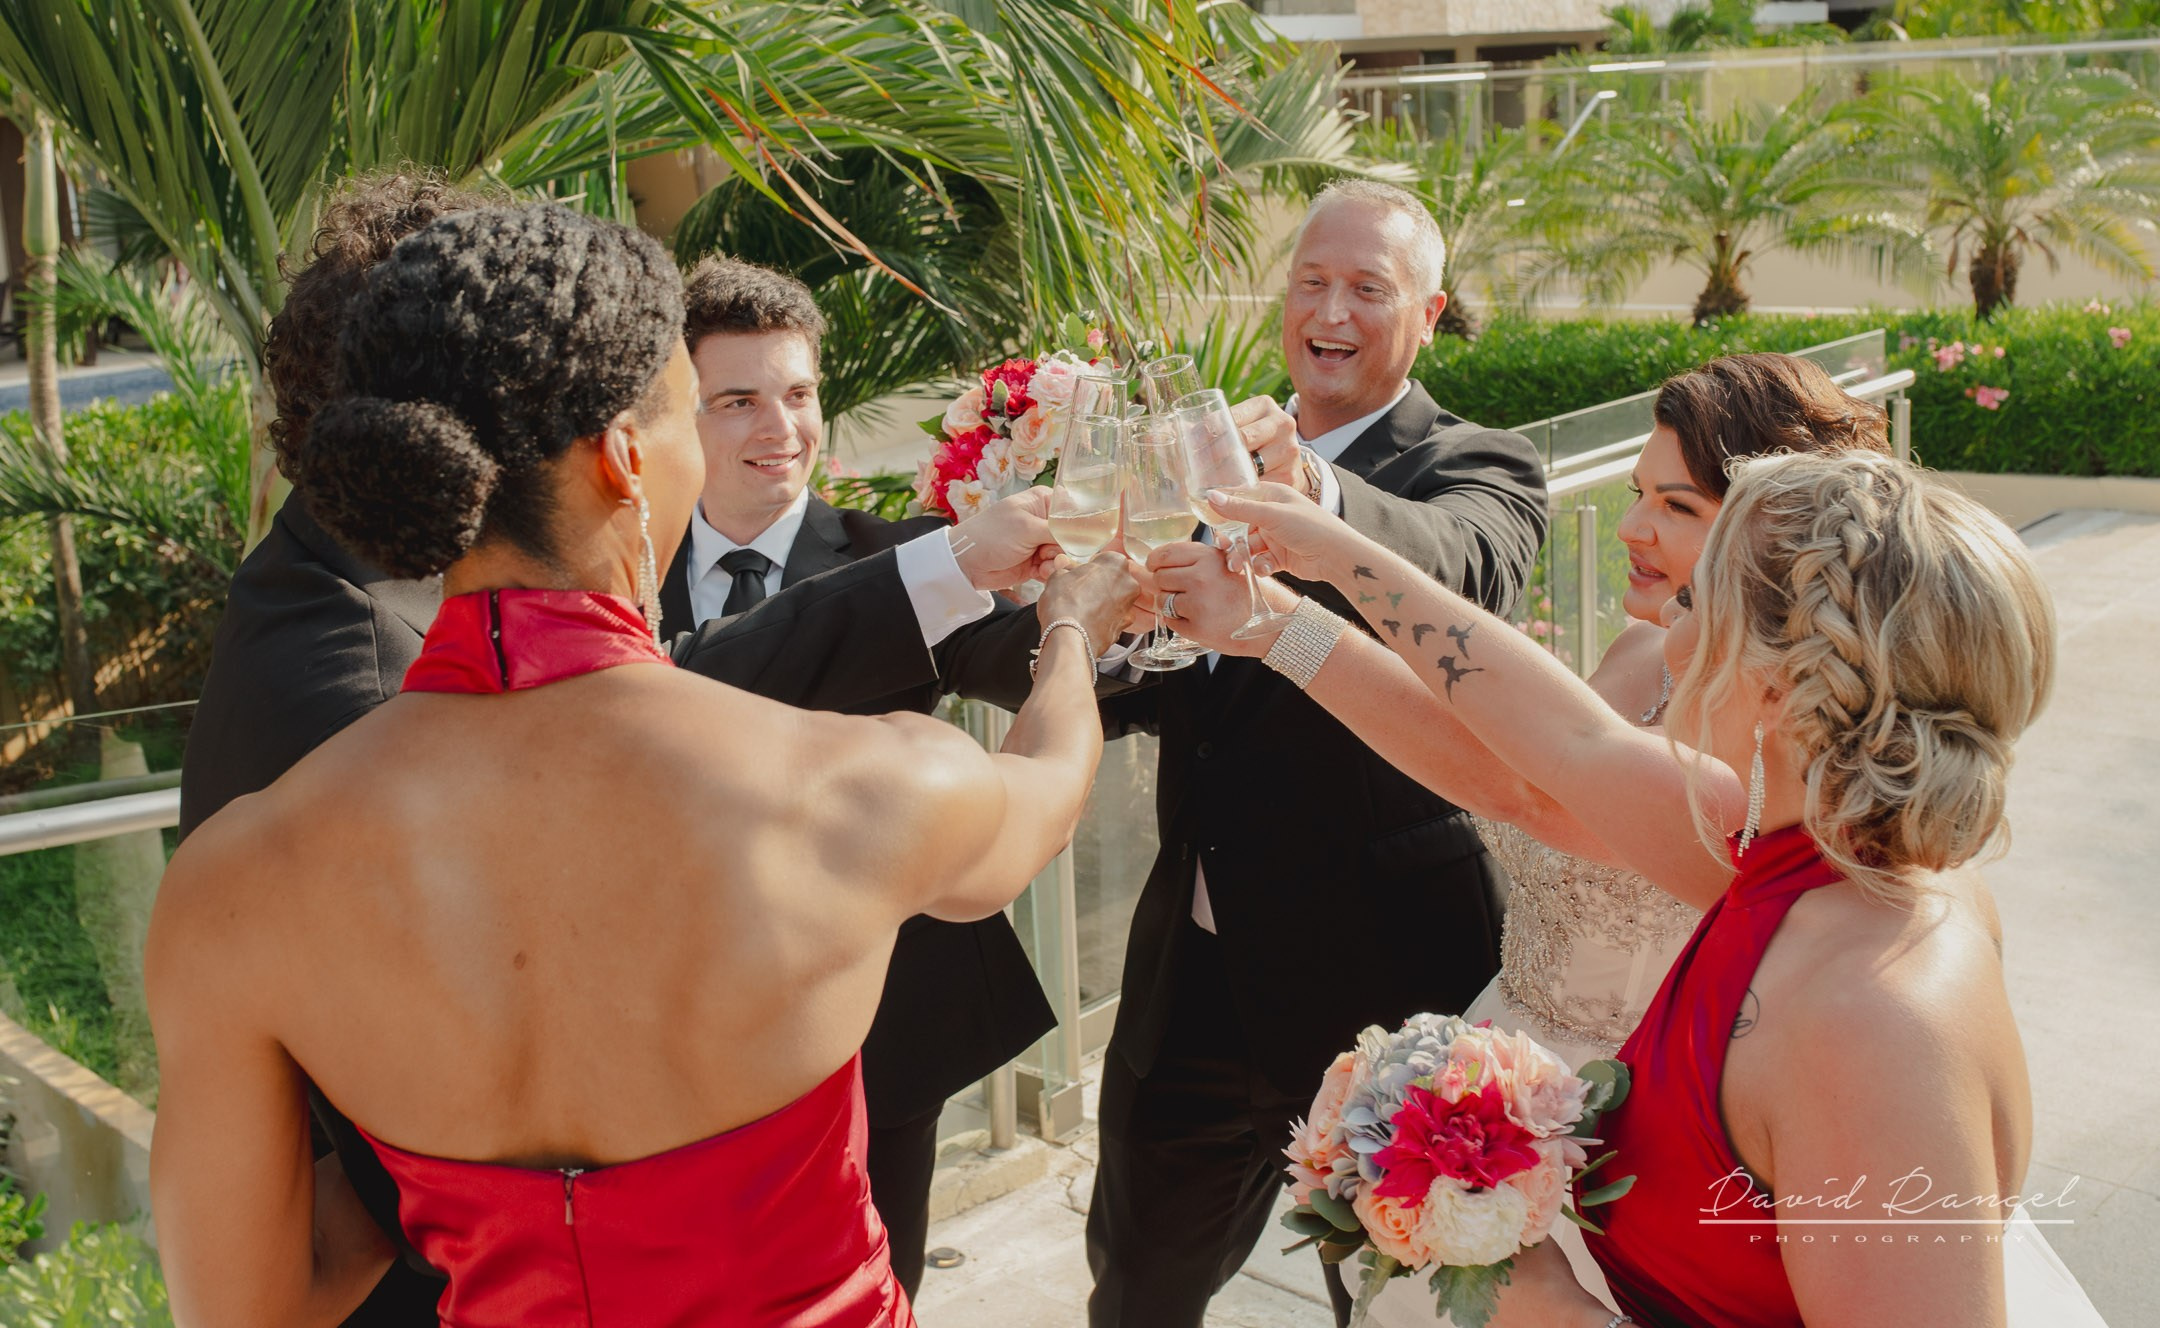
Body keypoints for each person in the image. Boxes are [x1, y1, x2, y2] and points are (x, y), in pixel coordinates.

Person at [146, 203, 1141, 1326]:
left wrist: (451, 1141)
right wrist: (1071, 627)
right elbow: (1048, 791)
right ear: (624, 456)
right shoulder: (859, 787)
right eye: (689, 410)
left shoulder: (231, 884)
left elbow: (251, 1311)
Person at [1180, 451, 2107, 1326]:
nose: (1668, 623)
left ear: (1778, 691)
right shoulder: (1800, 851)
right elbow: (1563, 749)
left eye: (1699, 598)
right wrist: (1303, 588)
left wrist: (1555, 1311)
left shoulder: (1873, 1019)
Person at [1154, 353, 1892, 1321]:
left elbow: (1551, 789)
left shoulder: (1799, 747)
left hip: (1640, 1140)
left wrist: (1331, 557)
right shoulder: (1645, 650)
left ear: (1774, 536)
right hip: (1508, 1068)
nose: (1631, 530)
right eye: (1635, 495)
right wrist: (1268, 623)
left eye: (1677, 507)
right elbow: (1502, 772)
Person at [1085, 179, 1549, 1328]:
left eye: (1366, 289)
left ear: (1429, 315)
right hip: (1187, 983)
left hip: (1377, 992)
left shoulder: (1481, 465)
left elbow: (1465, 569)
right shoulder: (1198, 458)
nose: (1329, 309)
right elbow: (1144, 669)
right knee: (1136, 1291)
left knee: (1400, 1306)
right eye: (1310, 282)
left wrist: (1317, 498)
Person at [657, 254, 1060, 1298]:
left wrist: (1103, 611)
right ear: (676, 416)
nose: (779, 428)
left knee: (882, 1293)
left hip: (877, 1036)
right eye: (737, 400)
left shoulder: (912, 559)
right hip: (670, 1038)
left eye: (798, 396)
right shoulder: (618, 582)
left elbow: (1025, 666)